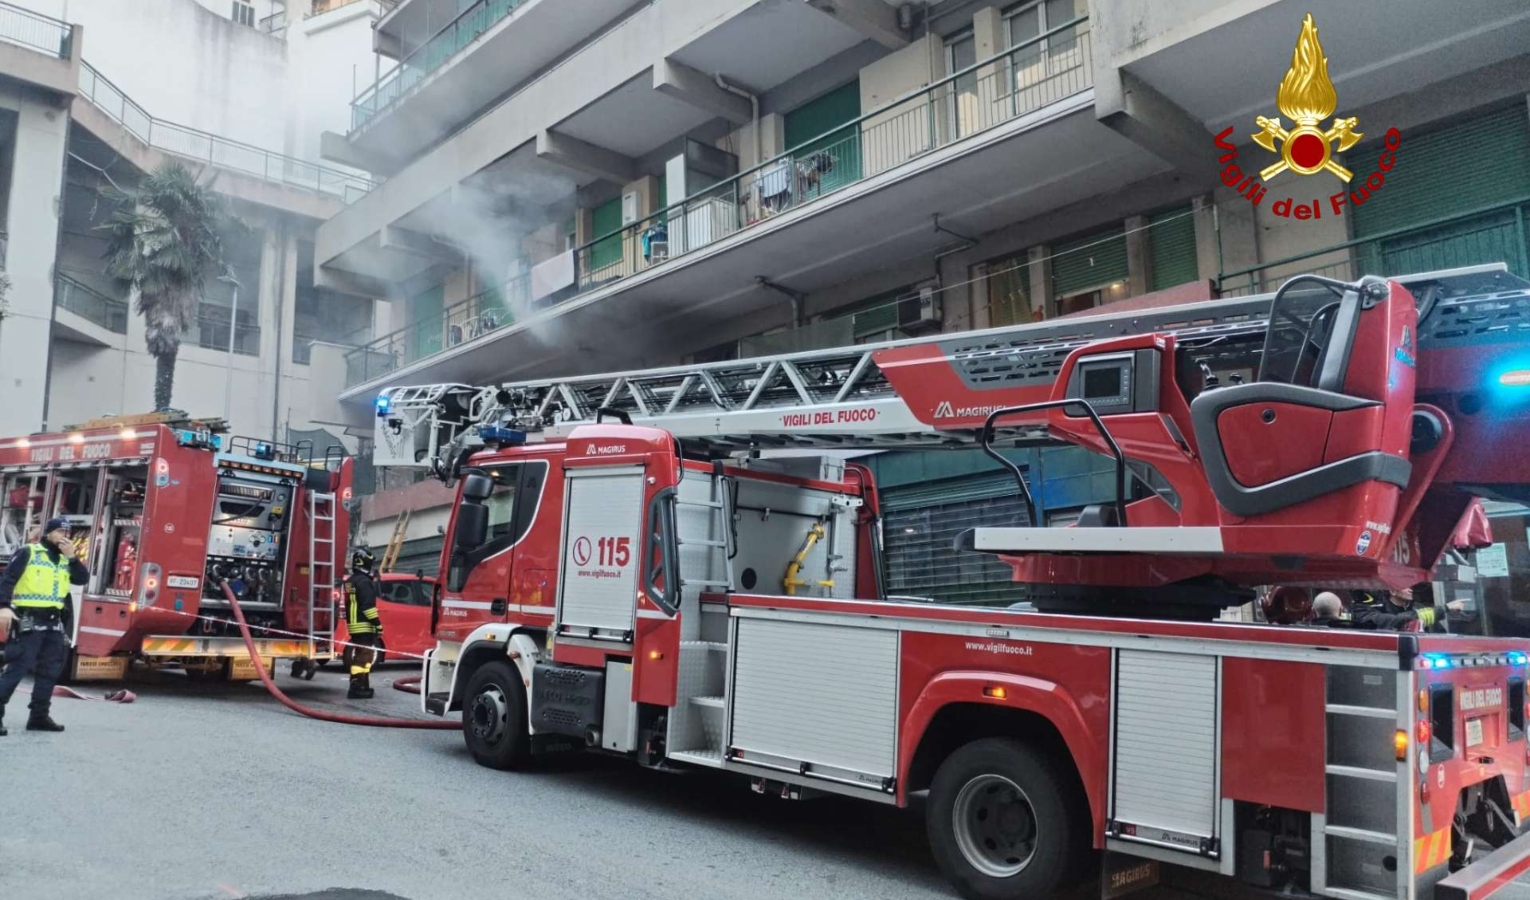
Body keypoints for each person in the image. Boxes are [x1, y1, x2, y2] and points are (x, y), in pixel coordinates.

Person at [0, 517, 88, 735]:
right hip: (28, 619)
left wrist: (73, 558)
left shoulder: (64, 559)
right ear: (48, 533)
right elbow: (7, 579)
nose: (64, 536)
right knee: (18, 666)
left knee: (50, 671)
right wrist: (3, 606)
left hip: (53, 622)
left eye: (67, 532)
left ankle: (38, 716)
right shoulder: (29, 552)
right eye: (59, 531)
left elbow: (81, 579)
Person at [343, 548, 383, 700]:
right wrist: (378, 624)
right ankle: (357, 686)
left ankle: (362, 684)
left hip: (353, 625)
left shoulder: (350, 582)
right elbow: (367, 606)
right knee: (363, 656)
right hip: (364, 625)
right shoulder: (365, 582)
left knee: (363, 655)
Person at [1351, 584, 1466, 632]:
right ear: (1393, 591)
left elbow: (1439, 633)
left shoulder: (1418, 608)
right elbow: (1399, 620)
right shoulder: (1378, 609)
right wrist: (1445, 608)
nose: (1410, 589)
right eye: (1405, 586)